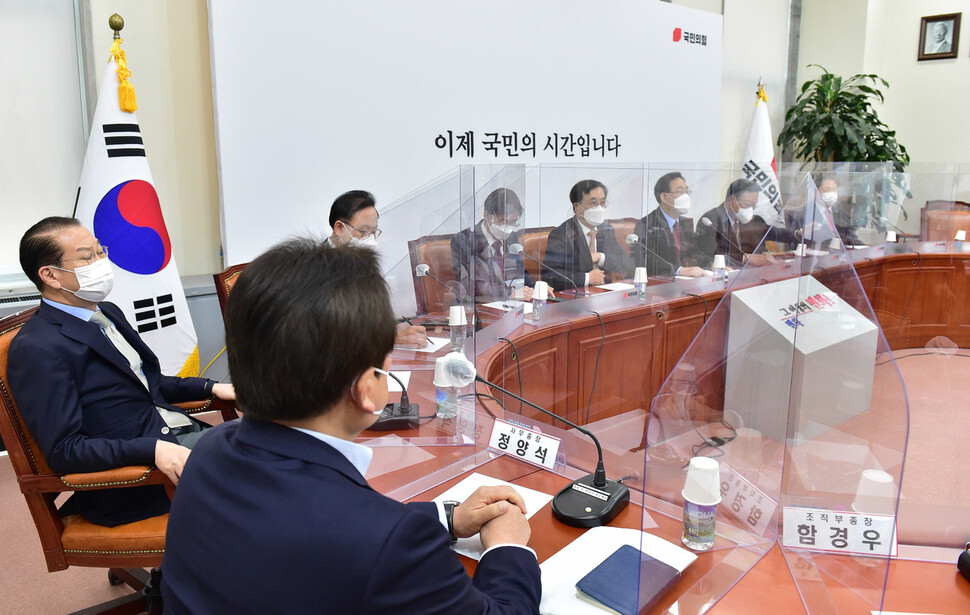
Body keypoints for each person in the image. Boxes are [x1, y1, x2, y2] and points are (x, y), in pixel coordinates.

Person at [161, 240, 541, 613]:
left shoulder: (210, 449)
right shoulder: (389, 545)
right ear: (367, 390)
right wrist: (507, 548)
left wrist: (448, 518)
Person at [7, 217, 235, 527]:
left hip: (175, 436)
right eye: (88, 256)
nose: (101, 262)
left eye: (101, 251)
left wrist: (212, 387)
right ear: (50, 275)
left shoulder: (107, 313)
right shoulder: (38, 346)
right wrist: (152, 449)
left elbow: (149, 384)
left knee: (285, 447)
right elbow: (64, 450)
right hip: (139, 478)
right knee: (274, 481)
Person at [328, 189, 427, 347]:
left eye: (373, 232)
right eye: (363, 232)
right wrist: (388, 339)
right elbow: (331, 334)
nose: (370, 240)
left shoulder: (364, 261)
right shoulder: (314, 271)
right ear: (339, 228)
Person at [542, 179, 632, 291]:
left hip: (606, 292)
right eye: (593, 203)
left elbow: (625, 264)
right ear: (576, 207)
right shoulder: (562, 235)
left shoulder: (606, 230)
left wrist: (601, 257)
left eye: (603, 202)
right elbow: (550, 276)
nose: (599, 208)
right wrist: (587, 278)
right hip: (577, 296)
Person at [450, 187, 536, 303]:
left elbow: (520, 273)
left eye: (512, 222)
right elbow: (475, 286)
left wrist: (535, 289)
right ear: (487, 216)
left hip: (512, 306)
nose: (507, 228)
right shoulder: (464, 240)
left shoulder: (511, 237)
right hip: (480, 307)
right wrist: (510, 293)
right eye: (503, 221)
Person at [631, 172, 707, 277]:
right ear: (664, 197)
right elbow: (647, 261)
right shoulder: (646, 225)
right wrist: (679, 270)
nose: (685, 196)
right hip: (660, 284)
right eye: (680, 191)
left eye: (687, 191)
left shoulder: (684, 223)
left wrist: (713, 263)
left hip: (686, 282)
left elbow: (695, 252)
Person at [696, 179, 777, 268]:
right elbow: (712, 254)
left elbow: (756, 246)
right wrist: (745, 258)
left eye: (754, 206)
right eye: (748, 204)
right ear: (731, 200)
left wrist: (765, 253)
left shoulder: (748, 219)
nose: (751, 210)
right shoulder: (712, 219)